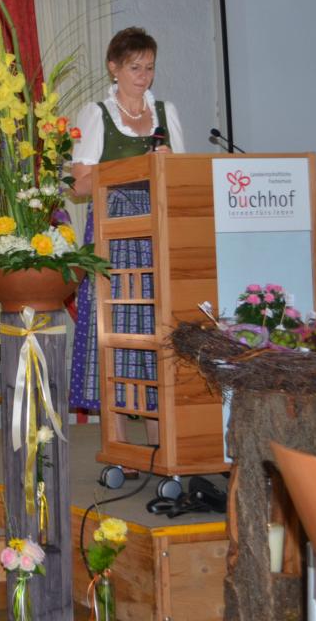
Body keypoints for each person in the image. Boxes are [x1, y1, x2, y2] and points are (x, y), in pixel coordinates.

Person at [68, 28, 184, 417]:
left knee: (159, 324)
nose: (143, 76)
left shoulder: (166, 112)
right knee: (118, 321)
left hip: (159, 227)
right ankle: (118, 432)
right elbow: (80, 185)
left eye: (149, 67)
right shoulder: (96, 114)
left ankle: (159, 432)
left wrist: (168, 164)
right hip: (115, 229)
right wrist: (133, 167)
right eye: (135, 67)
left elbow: (183, 176)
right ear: (113, 68)